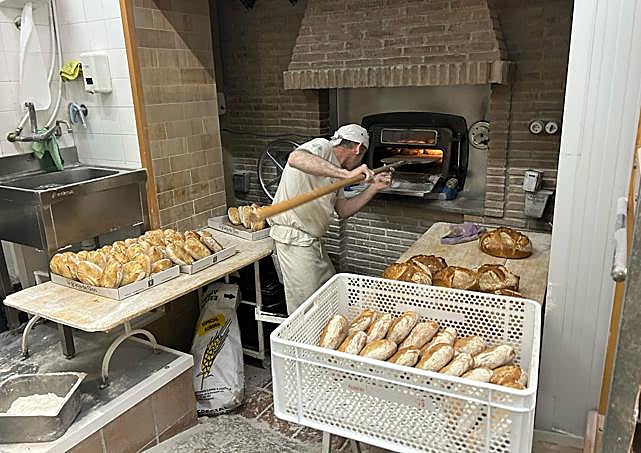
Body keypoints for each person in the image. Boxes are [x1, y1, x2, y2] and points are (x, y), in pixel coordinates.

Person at [269, 124, 393, 315]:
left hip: (312, 242)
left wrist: (373, 188)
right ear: (358, 148)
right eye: (362, 156)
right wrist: (346, 174)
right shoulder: (322, 147)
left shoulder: (336, 171)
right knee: (307, 310)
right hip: (294, 241)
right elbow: (295, 158)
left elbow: (343, 210)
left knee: (332, 294)